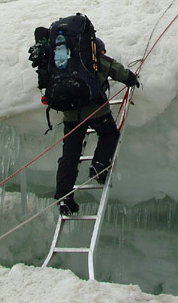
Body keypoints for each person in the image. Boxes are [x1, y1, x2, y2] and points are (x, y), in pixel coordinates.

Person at [55, 37, 140, 215]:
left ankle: (64, 197)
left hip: (70, 114)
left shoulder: (65, 61)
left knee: (70, 155)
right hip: (96, 110)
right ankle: (99, 165)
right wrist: (131, 79)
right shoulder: (93, 57)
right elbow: (116, 70)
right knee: (109, 134)